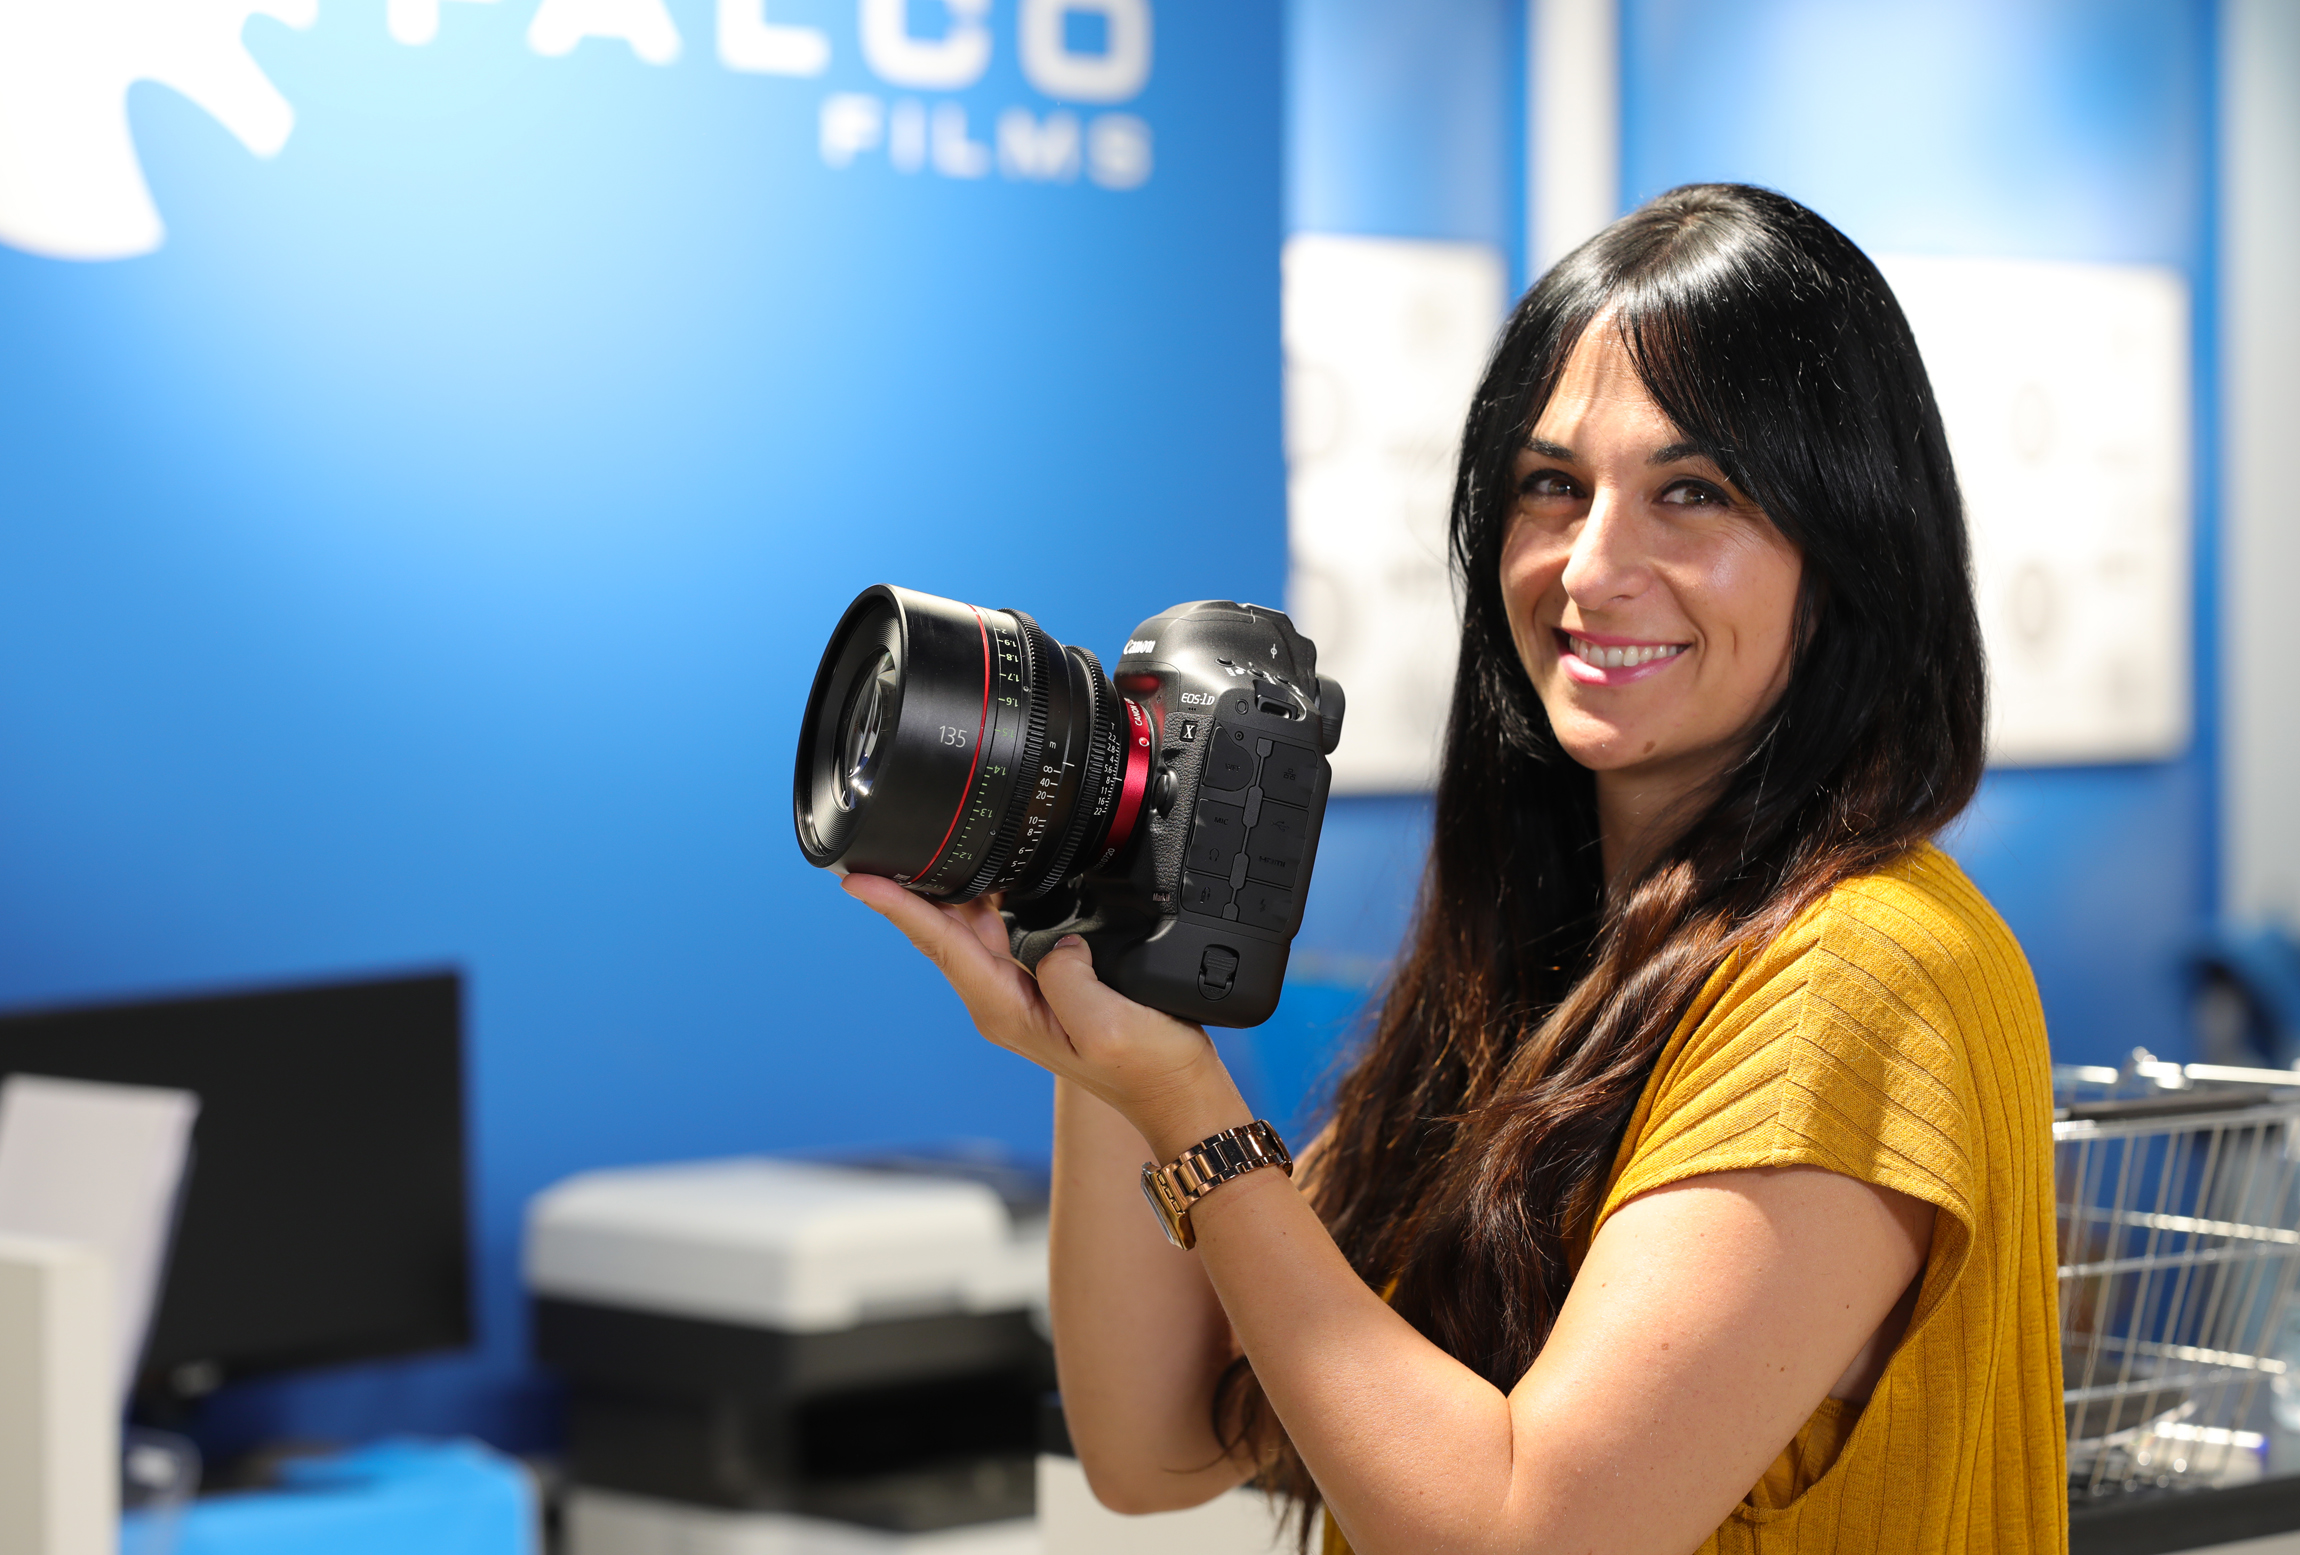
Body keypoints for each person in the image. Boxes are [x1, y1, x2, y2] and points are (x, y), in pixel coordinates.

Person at [843, 184, 2063, 1554]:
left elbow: (1519, 1535)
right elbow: (1154, 1442)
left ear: (1846, 555)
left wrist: (1187, 1106)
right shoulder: (1560, 960)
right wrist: (1101, 977)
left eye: (1694, 493)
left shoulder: (1863, 975)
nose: (1590, 569)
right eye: (1553, 487)